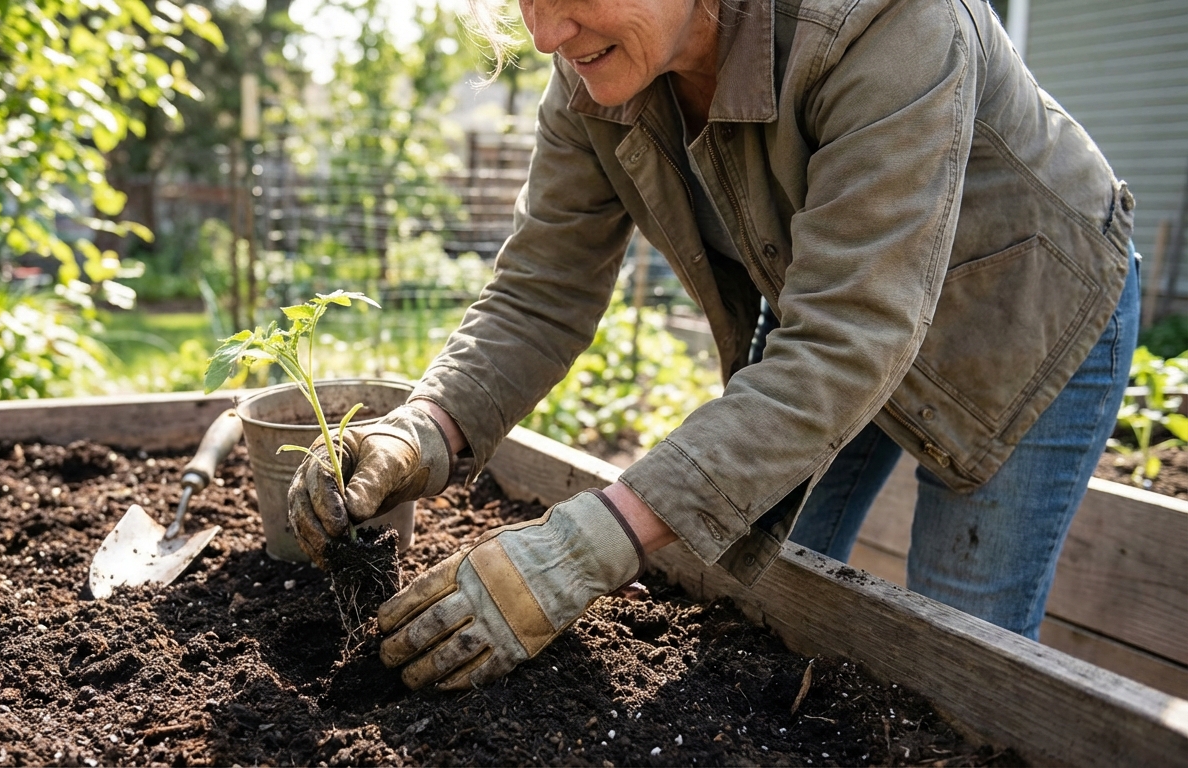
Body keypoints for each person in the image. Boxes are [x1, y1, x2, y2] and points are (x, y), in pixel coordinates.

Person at [288, 0, 1138, 692]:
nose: (545, 32)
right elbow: (541, 289)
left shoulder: (888, 21)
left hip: (1023, 316)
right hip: (833, 309)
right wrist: (424, 427)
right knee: (762, 591)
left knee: (962, 660)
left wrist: (590, 544)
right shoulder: (595, 67)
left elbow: (848, 339)